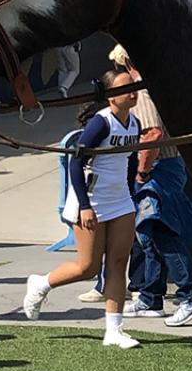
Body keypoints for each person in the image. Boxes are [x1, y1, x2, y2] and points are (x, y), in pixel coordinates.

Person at [22, 70, 142, 349]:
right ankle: (41, 284)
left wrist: (131, 193)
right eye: (126, 88)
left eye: (135, 87)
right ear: (111, 94)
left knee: (118, 263)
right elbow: (75, 163)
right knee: (87, 266)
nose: (133, 92)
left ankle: (114, 330)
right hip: (92, 200)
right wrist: (85, 207)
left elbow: (132, 160)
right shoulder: (101, 123)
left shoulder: (134, 123)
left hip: (121, 200)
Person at [109, 46, 192, 327]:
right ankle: (151, 295)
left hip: (159, 168)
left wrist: (142, 171)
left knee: (161, 231)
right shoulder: (155, 88)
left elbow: (152, 133)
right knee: (149, 233)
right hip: (166, 166)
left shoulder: (141, 94)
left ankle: (190, 293)